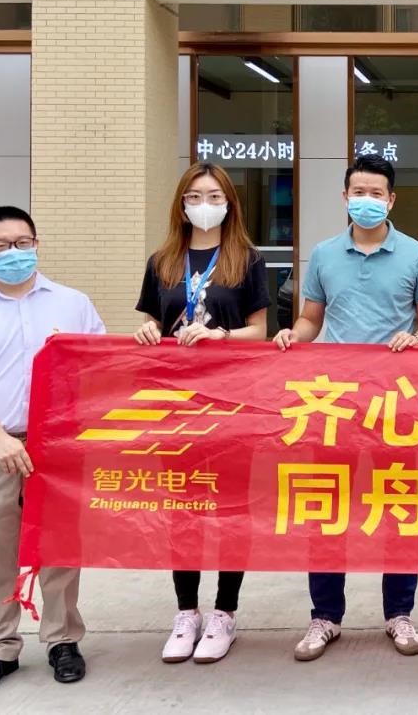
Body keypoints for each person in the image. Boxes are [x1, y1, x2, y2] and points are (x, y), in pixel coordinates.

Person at [0, 206, 105, 699]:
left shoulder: (72, 303)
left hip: (58, 447)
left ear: (36, 244)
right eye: (2, 246)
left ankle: (62, 640)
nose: (15, 253)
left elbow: (98, 366)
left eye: (23, 243)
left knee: (60, 549)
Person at [273, 154, 418, 661]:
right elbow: (311, 319)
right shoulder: (324, 254)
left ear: (392, 200)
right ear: (345, 197)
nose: (367, 200)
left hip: (396, 402)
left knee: (398, 505)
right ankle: (325, 615)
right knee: (327, 506)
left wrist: (416, 339)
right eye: (358, 192)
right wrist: (293, 335)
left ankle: (399, 613)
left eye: (376, 193)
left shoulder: (416, 255)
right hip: (334, 401)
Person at [134, 162, 270, 664]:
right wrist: (147, 331)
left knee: (232, 507)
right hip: (176, 404)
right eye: (194, 196)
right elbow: (151, 323)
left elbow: (259, 331)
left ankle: (224, 613)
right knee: (183, 507)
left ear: (229, 203)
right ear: (181, 204)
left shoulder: (247, 260)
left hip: (233, 401)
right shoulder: (163, 261)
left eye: (214, 195)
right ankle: (186, 612)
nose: (204, 204)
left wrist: (220, 335)